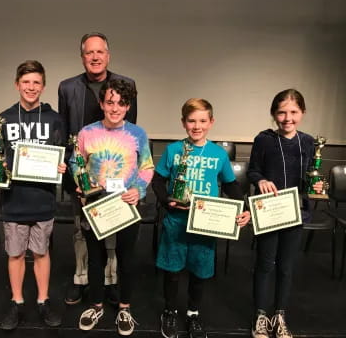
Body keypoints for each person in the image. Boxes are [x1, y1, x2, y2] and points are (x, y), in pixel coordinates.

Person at [152, 98, 251, 338]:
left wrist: (244, 207)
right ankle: (170, 311)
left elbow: (230, 184)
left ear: (211, 122)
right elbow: (157, 181)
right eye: (191, 121)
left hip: (205, 225)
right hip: (176, 221)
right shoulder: (174, 150)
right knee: (172, 272)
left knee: (199, 273)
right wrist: (166, 200)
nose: (197, 126)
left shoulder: (218, 154)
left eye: (203, 121)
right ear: (183, 122)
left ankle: (194, 314)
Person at [58, 32, 138, 305]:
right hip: (82, 177)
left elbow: (131, 134)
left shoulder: (126, 85)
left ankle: (110, 280)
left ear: (108, 55)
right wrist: (75, 176)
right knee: (82, 231)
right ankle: (82, 279)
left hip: (116, 177)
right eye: (89, 53)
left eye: (99, 52)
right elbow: (65, 131)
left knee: (113, 228)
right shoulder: (66, 87)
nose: (95, 57)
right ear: (82, 57)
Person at [0, 60, 66, 330]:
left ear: (43, 86)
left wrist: (62, 166)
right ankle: (17, 301)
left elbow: (62, 154)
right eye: (26, 82)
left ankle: (43, 300)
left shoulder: (54, 119)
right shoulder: (3, 118)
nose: (31, 87)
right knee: (16, 254)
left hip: (43, 199)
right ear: (17, 84)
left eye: (36, 82)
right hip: (14, 200)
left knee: (41, 253)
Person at [70, 79, 154, 336]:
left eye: (121, 103)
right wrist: (82, 184)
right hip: (96, 205)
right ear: (101, 103)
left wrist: (137, 190)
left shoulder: (138, 134)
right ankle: (96, 304)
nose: (115, 108)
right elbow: (76, 164)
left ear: (128, 106)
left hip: (126, 206)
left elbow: (147, 167)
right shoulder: (86, 133)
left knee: (126, 259)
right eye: (110, 102)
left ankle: (124, 307)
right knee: (96, 259)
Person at [248, 89, 323, 338]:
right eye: (281, 112)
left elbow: (311, 177)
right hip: (269, 211)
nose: (287, 117)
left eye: (293, 112)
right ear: (273, 114)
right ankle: (260, 315)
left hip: (296, 213)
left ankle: (279, 315)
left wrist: (317, 186)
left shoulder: (309, 142)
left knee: (286, 267)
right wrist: (260, 181)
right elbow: (253, 171)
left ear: (302, 113)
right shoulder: (264, 140)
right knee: (265, 264)